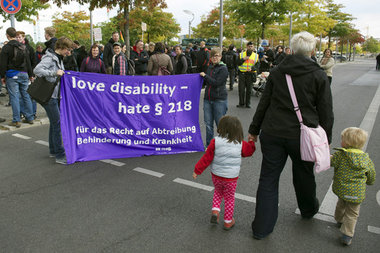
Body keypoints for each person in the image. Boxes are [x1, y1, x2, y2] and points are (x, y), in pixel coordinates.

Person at [248, 31, 334, 239]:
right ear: (312, 51)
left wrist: (254, 129)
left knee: (268, 179)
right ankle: (308, 209)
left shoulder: (278, 72)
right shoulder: (318, 74)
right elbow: (325, 110)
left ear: (292, 50)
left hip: (273, 131)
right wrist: (326, 139)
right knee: (304, 174)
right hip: (302, 135)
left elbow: (264, 102)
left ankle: (261, 228)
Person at [193, 115, 256, 230]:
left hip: (216, 175)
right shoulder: (240, 144)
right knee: (229, 198)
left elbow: (207, 158)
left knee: (217, 192)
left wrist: (197, 170)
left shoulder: (215, 141)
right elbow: (249, 152)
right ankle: (228, 221)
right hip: (231, 178)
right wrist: (251, 142)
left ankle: (215, 212)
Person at [331, 127, 376, 246]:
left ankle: (339, 219)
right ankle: (347, 235)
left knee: (341, 204)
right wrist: (370, 182)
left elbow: (331, 162)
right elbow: (371, 175)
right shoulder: (366, 160)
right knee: (352, 214)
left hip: (342, 189)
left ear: (346, 142)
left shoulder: (341, 155)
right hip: (357, 193)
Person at [33, 36, 73, 165]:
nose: (68, 51)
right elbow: (37, 70)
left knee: (54, 123)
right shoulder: (50, 57)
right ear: (61, 47)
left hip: (54, 95)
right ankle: (60, 155)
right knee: (57, 124)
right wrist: (54, 72)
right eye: (66, 49)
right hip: (49, 95)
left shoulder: (58, 58)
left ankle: (53, 150)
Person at [0, 27, 34, 128]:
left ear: (7, 35)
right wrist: (30, 74)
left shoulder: (6, 48)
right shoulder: (23, 46)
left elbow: (3, 63)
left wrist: (2, 76)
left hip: (12, 74)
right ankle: (30, 117)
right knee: (26, 95)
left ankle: (16, 120)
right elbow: (28, 62)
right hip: (24, 73)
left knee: (14, 97)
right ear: (15, 35)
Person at [200, 47, 228, 146]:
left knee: (220, 125)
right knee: (208, 124)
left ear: (220, 56)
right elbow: (207, 82)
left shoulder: (223, 68)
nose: (214, 58)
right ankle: (209, 145)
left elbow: (217, 83)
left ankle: (222, 145)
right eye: (212, 56)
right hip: (208, 99)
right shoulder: (210, 67)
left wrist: (205, 76)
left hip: (219, 100)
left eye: (216, 56)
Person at [237, 41, 259, 108]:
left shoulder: (256, 56)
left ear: (253, 47)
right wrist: (243, 59)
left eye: (251, 46)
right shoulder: (241, 54)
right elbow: (237, 63)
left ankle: (248, 104)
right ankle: (241, 103)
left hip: (250, 74)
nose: (250, 47)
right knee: (241, 89)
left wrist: (252, 68)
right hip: (242, 74)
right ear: (247, 46)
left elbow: (258, 65)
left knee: (249, 90)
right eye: (249, 46)